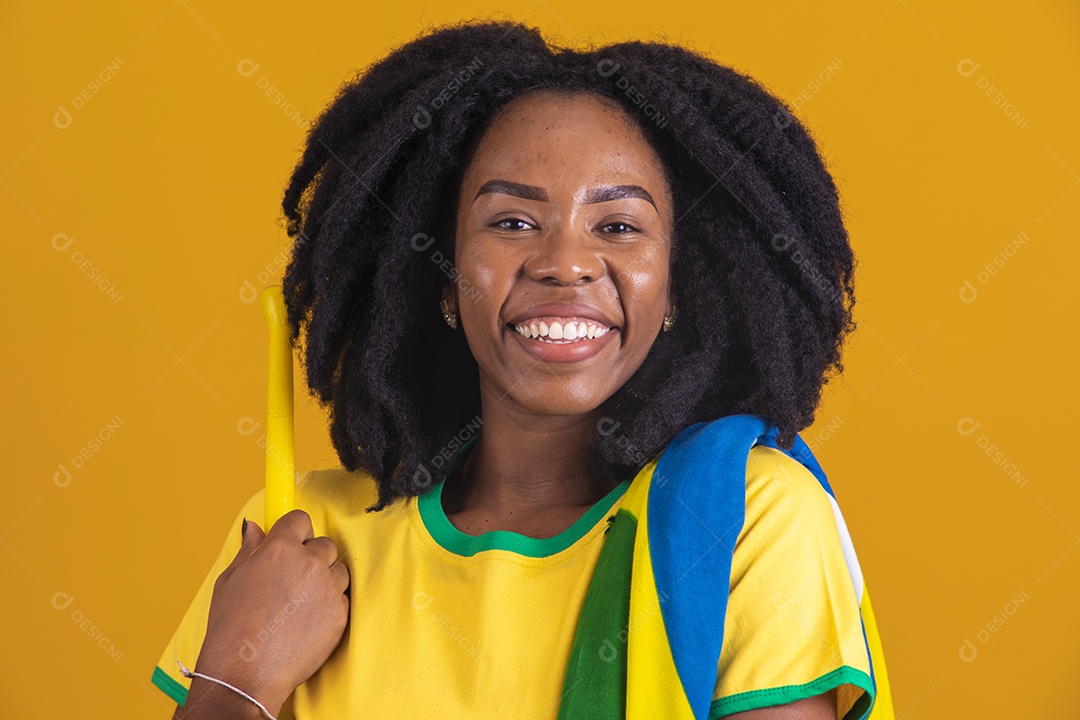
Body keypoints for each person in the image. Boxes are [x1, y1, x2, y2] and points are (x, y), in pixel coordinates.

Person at [150, 18, 890, 720]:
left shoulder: (741, 520)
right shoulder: (298, 538)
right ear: (443, 279)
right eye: (512, 222)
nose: (565, 263)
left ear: (675, 289)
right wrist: (236, 682)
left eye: (618, 226)